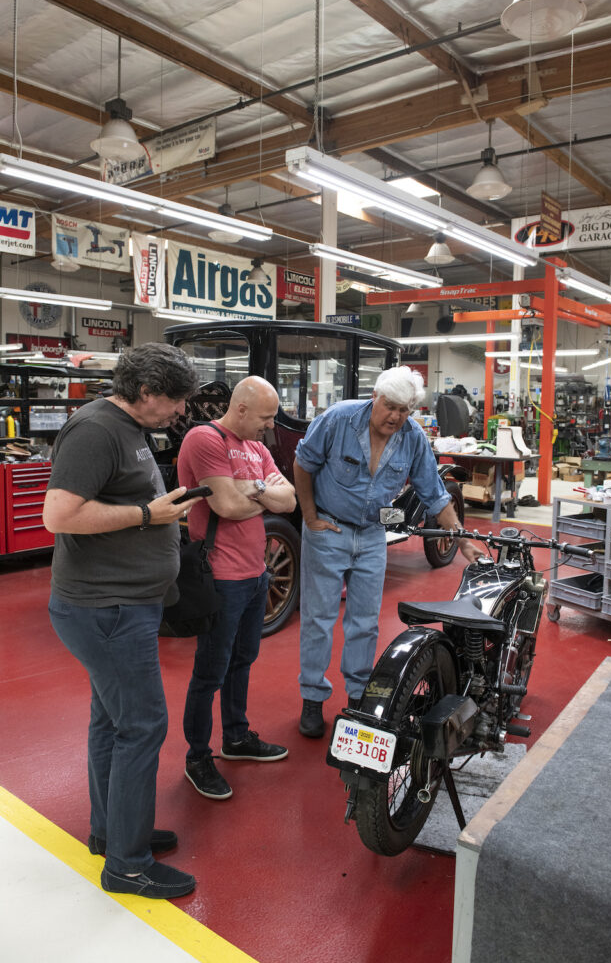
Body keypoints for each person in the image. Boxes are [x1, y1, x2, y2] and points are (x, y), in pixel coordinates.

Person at [43, 342, 201, 900]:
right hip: (105, 608)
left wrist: (158, 514)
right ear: (147, 391)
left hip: (121, 605)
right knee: (141, 726)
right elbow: (57, 515)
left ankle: (113, 832)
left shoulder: (128, 427)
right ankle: (128, 866)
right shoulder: (96, 430)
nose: (181, 411)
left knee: (112, 722)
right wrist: (145, 515)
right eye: (176, 400)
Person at [294, 365, 480, 738]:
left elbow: (433, 491)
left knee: (364, 622)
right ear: (375, 397)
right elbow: (303, 463)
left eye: (404, 410)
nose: (395, 416)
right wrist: (311, 516)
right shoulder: (338, 419)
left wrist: (460, 539)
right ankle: (312, 699)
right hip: (328, 530)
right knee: (319, 619)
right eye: (390, 406)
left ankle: (359, 697)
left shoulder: (412, 437)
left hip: (372, 535)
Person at [178, 376, 296, 799]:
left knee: (242, 660)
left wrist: (255, 488)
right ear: (242, 409)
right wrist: (263, 493)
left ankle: (236, 736)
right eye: (265, 417)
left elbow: (291, 499)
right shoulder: (204, 439)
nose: (269, 426)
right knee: (210, 670)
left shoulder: (258, 448)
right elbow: (224, 506)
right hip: (221, 576)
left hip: (255, 573)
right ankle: (197, 757)